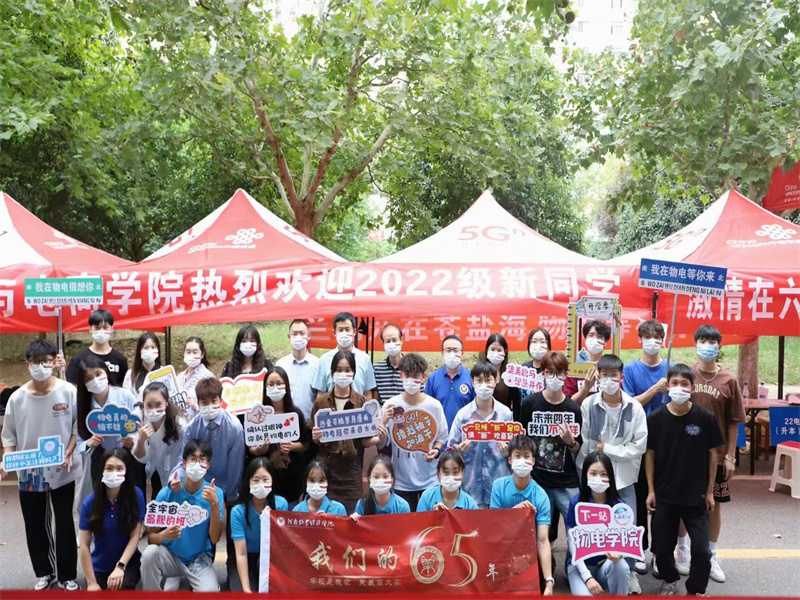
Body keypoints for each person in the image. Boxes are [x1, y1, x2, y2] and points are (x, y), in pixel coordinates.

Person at [1, 339, 81, 591]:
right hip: (29, 470)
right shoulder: (17, 399)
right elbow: (9, 436)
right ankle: (45, 572)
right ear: (28, 365)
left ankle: (67, 575)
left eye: (47, 361)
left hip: (62, 468)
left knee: (64, 521)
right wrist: (7, 459)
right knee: (35, 523)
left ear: (54, 362)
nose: (42, 367)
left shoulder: (68, 392)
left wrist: (70, 449)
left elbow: (77, 427)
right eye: (36, 362)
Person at [646, 364, 725, 596]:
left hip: (696, 496)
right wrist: (651, 490)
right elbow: (649, 455)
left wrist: (710, 492)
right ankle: (670, 580)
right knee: (662, 548)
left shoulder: (705, 417)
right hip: (664, 495)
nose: (679, 388)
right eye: (675, 383)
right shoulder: (656, 418)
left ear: (692, 388)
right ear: (667, 385)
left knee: (701, 551)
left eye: (684, 384)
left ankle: (696, 589)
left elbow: (713, 455)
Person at [576, 354, 647, 595]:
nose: (608, 380)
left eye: (613, 375)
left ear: (621, 377)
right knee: (593, 527)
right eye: (604, 375)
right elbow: (586, 442)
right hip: (595, 480)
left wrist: (608, 449)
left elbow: (638, 446)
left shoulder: (634, 408)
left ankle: (628, 571)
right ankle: (592, 569)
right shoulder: (589, 405)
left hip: (623, 480)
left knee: (626, 529)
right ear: (597, 377)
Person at [682, 324, 745, 583]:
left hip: (717, 456)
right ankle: (682, 551)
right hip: (686, 454)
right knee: (683, 502)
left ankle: (712, 554)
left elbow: (734, 421)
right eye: (703, 341)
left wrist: (730, 456)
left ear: (719, 347)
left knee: (714, 504)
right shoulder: (686, 375)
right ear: (695, 344)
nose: (707, 346)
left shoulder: (729, 380)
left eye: (712, 342)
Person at [173, 377, 245, 577]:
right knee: (202, 526)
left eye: (214, 400)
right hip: (199, 484)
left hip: (226, 485)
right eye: (204, 402)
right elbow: (183, 460)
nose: (209, 406)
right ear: (197, 403)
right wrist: (179, 481)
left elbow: (236, 465)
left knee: (230, 531)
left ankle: (233, 570)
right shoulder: (191, 428)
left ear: (221, 400)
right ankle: (199, 567)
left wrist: (229, 495)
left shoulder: (234, 427)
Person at [622, 319, 671, 574]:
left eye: (657, 337)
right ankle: (639, 549)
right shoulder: (630, 369)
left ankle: (661, 553)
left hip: (665, 444)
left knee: (663, 500)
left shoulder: (671, 367)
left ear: (663, 340)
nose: (652, 342)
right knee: (641, 496)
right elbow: (631, 404)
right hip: (639, 443)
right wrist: (655, 389)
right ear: (640, 339)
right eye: (648, 337)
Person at [142, 440, 223, 592]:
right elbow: (151, 538)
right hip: (170, 555)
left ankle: (186, 576)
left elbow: (214, 539)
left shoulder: (215, 493)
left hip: (198, 559)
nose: (197, 464)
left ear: (208, 465)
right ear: (184, 463)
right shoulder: (167, 492)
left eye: (202, 459)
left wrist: (214, 505)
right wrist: (164, 535)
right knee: (149, 555)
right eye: (193, 458)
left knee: (210, 592)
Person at [519, 351, 582, 548]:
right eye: (550, 372)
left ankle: (575, 565)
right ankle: (542, 565)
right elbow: (522, 438)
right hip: (538, 480)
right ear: (543, 374)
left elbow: (578, 448)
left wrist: (570, 442)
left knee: (578, 529)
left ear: (566, 374)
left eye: (559, 373)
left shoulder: (573, 409)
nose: (555, 377)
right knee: (536, 532)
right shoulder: (530, 404)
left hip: (566, 481)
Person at [310, 351, 384, 513]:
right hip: (327, 468)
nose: (343, 374)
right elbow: (314, 438)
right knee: (326, 516)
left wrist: (379, 436)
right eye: (338, 370)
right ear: (332, 372)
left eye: (347, 370)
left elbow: (365, 440)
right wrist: (315, 437)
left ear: (354, 373)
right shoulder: (321, 402)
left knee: (353, 516)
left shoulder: (361, 403)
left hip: (352, 469)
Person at [379, 353, 448, 511]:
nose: (411, 380)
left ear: (423, 377)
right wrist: (383, 424)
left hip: (430, 479)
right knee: (406, 523)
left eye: (415, 376)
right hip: (401, 481)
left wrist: (436, 450)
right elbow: (382, 444)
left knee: (431, 521)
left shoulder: (434, 406)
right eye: (407, 375)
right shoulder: (390, 406)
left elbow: (442, 436)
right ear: (401, 376)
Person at [489, 434, 554, 596]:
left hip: (528, 553)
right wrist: (515, 514)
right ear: (510, 460)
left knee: (543, 573)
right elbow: (493, 529)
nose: (522, 460)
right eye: (517, 456)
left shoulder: (541, 496)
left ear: (533, 461)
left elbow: (543, 540)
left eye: (526, 456)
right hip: (503, 549)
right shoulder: (499, 486)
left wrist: (549, 582)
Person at [447, 361, 513, 508]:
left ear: (496, 381)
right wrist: (458, 451)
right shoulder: (463, 415)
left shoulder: (505, 414)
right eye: (479, 380)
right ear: (472, 382)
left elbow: (514, 448)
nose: (484, 385)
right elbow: (450, 449)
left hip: (497, 486)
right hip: (470, 487)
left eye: (488, 380)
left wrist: (507, 452)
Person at [79, 449, 145, 591]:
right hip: (99, 566)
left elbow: (135, 536)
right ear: (102, 471)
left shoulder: (136, 495)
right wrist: (91, 583)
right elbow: (84, 545)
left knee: (122, 588)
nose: (114, 473)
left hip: (128, 563)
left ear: (126, 471)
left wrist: (120, 566)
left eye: (119, 468)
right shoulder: (89, 503)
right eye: (109, 468)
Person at [566, 451, 630, 596]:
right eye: (593, 473)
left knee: (622, 566)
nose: (598, 478)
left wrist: (619, 554)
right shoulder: (576, 504)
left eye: (604, 474)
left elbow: (624, 541)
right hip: (579, 566)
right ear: (586, 475)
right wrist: (587, 577)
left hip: (605, 565)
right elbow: (572, 543)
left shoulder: (619, 507)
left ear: (611, 477)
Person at [76, 355, 139, 497]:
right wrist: (89, 443)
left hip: (126, 455)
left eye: (98, 374)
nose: (95, 381)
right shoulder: (83, 405)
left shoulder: (125, 396)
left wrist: (132, 441)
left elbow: (139, 424)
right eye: (88, 378)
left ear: (106, 371)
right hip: (99, 460)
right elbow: (79, 442)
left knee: (128, 497)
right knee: (102, 499)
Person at [248, 366, 310, 503]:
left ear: (286, 386)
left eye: (279, 383)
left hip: (292, 479)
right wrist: (259, 450)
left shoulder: (295, 414)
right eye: (270, 384)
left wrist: (292, 446)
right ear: (265, 387)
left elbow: (305, 444)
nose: (275, 388)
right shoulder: (257, 415)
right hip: (265, 479)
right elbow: (250, 446)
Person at [229, 457, 288, 592]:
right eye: (255, 480)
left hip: (269, 557)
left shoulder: (281, 505)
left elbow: (282, 545)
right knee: (241, 591)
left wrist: (271, 520)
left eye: (265, 479)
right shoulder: (237, 512)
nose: (261, 484)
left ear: (272, 481)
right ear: (248, 482)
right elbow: (241, 553)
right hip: (245, 556)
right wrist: (246, 590)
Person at [133, 383, 185, 498]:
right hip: (154, 471)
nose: (153, 410)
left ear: (166, 402)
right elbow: (141, 457)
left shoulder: (179, 425)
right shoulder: (139, 419)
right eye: (149, 405)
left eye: (158, 404)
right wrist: (141, 440)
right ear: (143, 404)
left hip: (175, 474)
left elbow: (180, 457)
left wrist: (175, 478)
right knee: (157, 499)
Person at [312, 312, 377, 399]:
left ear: (354, 332)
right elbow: (321, 393)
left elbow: (367, 392)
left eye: (347, 329)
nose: (344, 333)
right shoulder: (325, 359)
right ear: (334, 333)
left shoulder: (365, 359)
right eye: (340, 330)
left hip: (358, 407)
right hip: (332, 407)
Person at [66, 308, 128, 387]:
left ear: (112, 329)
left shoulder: (120, 359)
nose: (101, 331)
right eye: (97, 328)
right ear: (90, 329)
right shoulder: (78, 359)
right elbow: (71, 387)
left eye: (105, 327)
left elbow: (124, 386)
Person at [424, 335, 475, 428]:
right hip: (440, 434)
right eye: (448, 350)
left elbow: (476, 409)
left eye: (456, 350)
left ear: (462, 354)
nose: (452, 354)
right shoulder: (433, 378)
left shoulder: (471, 378)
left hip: (464, 433)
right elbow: (427, 409)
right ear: (442, 353)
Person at [275, 319, 320, 421]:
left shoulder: (318, 364)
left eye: (302, 333)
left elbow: (321, 395)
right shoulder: (280, 365)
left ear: (308, 336)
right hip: (286, 422)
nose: (298, 337)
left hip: (310, 423)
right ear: (289, 337)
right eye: (295, 334)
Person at [565, 320, 612, 405]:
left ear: (606, 342)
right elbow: (569, 402)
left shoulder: (611, 366)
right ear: (585, 338)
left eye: (600, 336)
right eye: (591, 335)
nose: (595, 339)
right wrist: (586, 388)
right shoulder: (574, 366)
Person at [484, 333, 522, 423]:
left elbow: (516, 406)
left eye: (499, 350)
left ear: (505, 352)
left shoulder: (511, 376)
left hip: (504, 424)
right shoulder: (480, 374)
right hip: (482, 424)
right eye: (492, 349)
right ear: (487, 351)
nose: (495, 353)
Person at [176, 337, 214, 417]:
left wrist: (195, 406)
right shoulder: (180, 377)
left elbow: (212, 405)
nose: (191, 355)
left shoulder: (208, 377)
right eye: (188, 352)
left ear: (202, 354)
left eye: (195, 352)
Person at [122, 332, 162, 401]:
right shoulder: (130, 375)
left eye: (153, 347)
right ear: (140, 350)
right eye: (146, 348)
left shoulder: (165, 373)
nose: (150, 350)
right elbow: (125, 400)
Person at [373, 323, 405, 404]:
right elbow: (376, 399)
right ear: (383, 343)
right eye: (388, 341)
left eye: (394, 340)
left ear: (401, 340)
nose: (391, 344)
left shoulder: (412, 367)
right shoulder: (377, 369)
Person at [521, 328, 552, 399]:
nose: (538, 345)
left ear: (548, 346)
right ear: (529, 345)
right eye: (534, 341)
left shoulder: (553, 370)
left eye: (542, 342)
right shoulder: (523, 368)